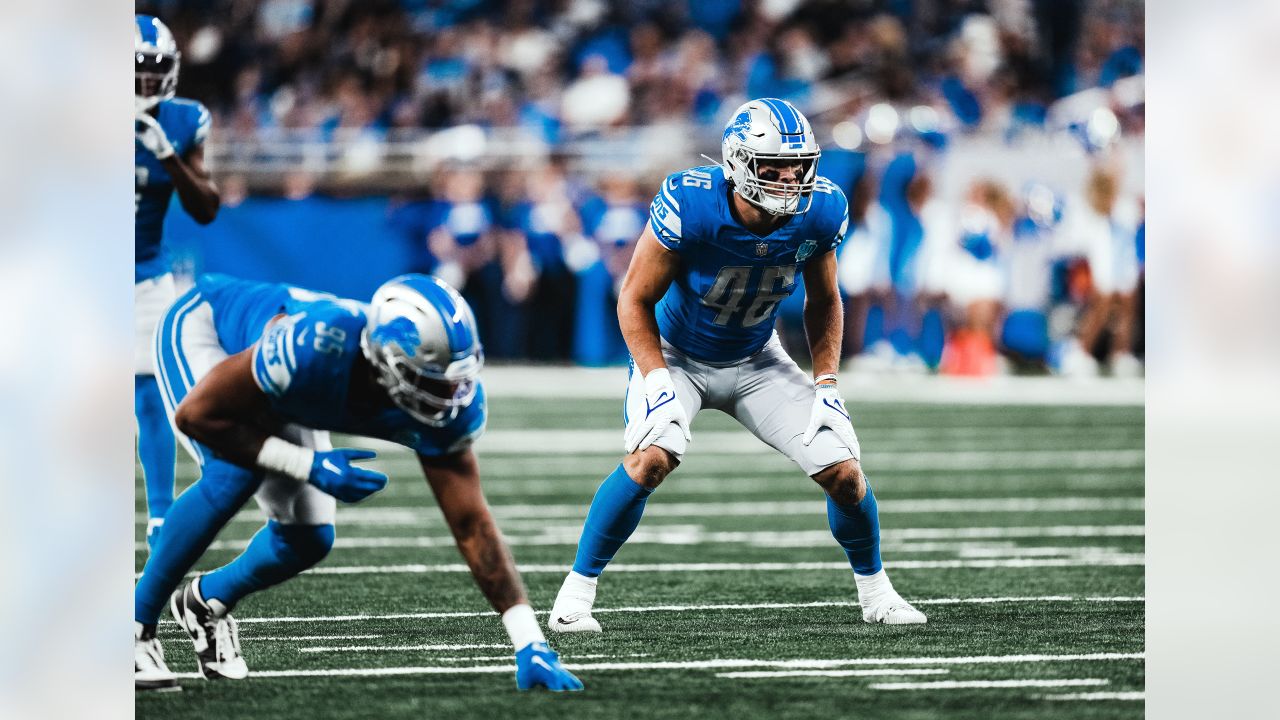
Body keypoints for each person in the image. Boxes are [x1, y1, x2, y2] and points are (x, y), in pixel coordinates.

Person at [547, 98, 927, 633]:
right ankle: (574, 598)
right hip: (677, 355)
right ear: (737, 163)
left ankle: (878, 594)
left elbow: (825, 300)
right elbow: (632, 298)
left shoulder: (821, 209)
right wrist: (656, 380)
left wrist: (828, 384)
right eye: (772, 166)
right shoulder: (691, 203)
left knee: (842, 470)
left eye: (797, 165)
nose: (789, 177)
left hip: (756, 358)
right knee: (652, 457)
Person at [133, 273, 582, 693]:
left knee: (308, 539)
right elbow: (200, 417)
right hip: (206, 331)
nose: (451, 396)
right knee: (234, 472)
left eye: (456, 379)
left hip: (279, 391)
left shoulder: (449, 406)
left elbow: (470, 525)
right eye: (433, 380)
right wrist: (308, 464)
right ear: (385, 364)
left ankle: (204, 602)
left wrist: (529, 641)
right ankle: (134, 627)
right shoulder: (315, 347)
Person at [134, 14, 221, 549]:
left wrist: (166, 151)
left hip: (143, 273)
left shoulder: (183, 120)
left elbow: (206, 207)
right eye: (137, 69)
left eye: (155, 69)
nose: (147, 81)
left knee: (149, 390)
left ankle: (161, 516)